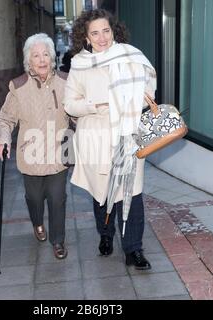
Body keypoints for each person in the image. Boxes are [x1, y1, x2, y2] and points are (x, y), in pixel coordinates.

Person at [64, 9, 157, 269]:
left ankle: (133, 250)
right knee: (102, 195)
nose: (102, 37)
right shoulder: (79, 65)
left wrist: (135, 102)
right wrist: (95, 105)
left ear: (113, 30)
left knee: (131, 193)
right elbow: (70, 104)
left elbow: (148, 88)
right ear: (86, 37)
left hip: (127, 134)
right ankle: (106, 236)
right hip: (94, 136)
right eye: (95, 32)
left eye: (106, 30)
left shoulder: (130, 56)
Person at [0, 33, 70, 259]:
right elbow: (5, 119)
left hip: (59, 153)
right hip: (31, 155)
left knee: (58, 198)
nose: (42, 59)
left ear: (52, 57)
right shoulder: (18, 87)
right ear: (29, 60)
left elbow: (79, 111)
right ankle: (37, 223)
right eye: (36, 55)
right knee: (34, 198)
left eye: (46, 53)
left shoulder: (66, 82)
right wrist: (4, 139)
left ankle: (58, 241)